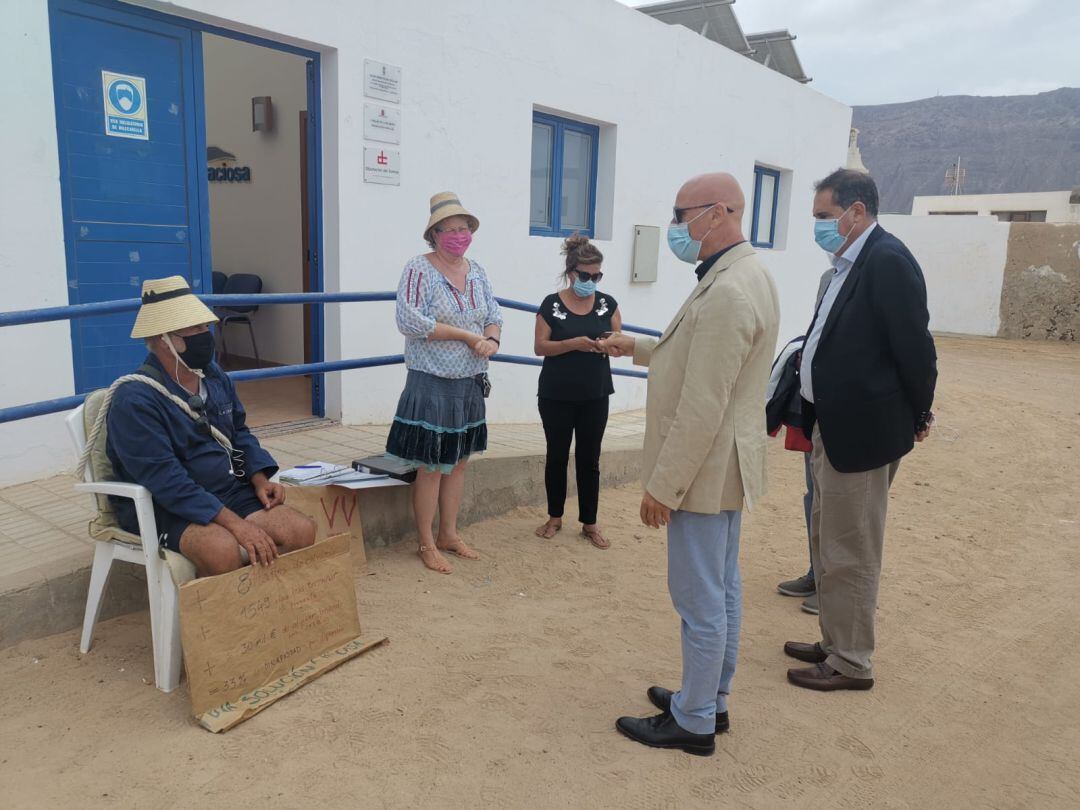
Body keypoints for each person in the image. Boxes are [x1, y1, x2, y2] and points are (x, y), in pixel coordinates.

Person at [601, 172, 779, 757]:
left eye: (683, 215)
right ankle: (710, 698)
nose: (677, 227)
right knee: (721, 589)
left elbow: (705, 400)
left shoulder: (729, 287)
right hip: (727, 463)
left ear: (719, 212)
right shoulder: (742, 273)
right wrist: (639, 348)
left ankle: (695, 719)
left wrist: (664, 486)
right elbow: (704, 355)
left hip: (703, 470)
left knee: (699, 597)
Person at [785, 169, 937, 692]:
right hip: (832, 422)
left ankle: (852, 662)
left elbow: (915, 348)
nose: (820, 228)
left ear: (856, 211)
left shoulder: (887, 261)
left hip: (865, 431)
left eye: (825, 217)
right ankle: (833, 641)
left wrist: (920, 413)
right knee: (829, 537)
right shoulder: (847, 264)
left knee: (852, 546)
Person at [106, 276, 316, 577]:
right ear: (166, 339)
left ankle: (269, 614)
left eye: (206, 326)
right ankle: (224, 620)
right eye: (196, 328)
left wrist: (258, 478)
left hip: (224, 490)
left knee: (300, 531)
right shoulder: (136, 399)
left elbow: (237, 434)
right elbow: (166, 481)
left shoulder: (213, 376)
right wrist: (237, 525)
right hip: (164, 506)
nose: (207, 335)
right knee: (220, 550)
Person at [386, 192, 503, 574]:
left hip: (470, 381)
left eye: (464, 228)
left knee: (458, 463)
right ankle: (426, 541)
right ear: (434, 234)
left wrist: (492, 337)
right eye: (449, 229)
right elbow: (410, 321)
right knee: (432, 466)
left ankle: (450, 533)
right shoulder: (419, 270)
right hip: (432, 382)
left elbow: (493, 313)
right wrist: (467, 336)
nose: (458, 235)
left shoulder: (478, 270)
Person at [533, 235, 622, 549]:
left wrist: (608, 345)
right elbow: (539, 347)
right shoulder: (551, 304)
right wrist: (572, 343)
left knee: (590, 459)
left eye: (597, 275)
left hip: (595, 394)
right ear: (571, 272)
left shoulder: (608, 304)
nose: (591, 281)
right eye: (585, 276)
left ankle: (590, 523)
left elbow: (619, 341)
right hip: (556, 394)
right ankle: (554, 517)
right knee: (556, 456)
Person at [775, 268, 833, 615]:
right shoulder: (829, 277)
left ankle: (832, 587)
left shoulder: (881, 271)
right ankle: (816, 573)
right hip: (815, 410)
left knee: (839, 508)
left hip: (848, 415)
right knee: (815, 498)